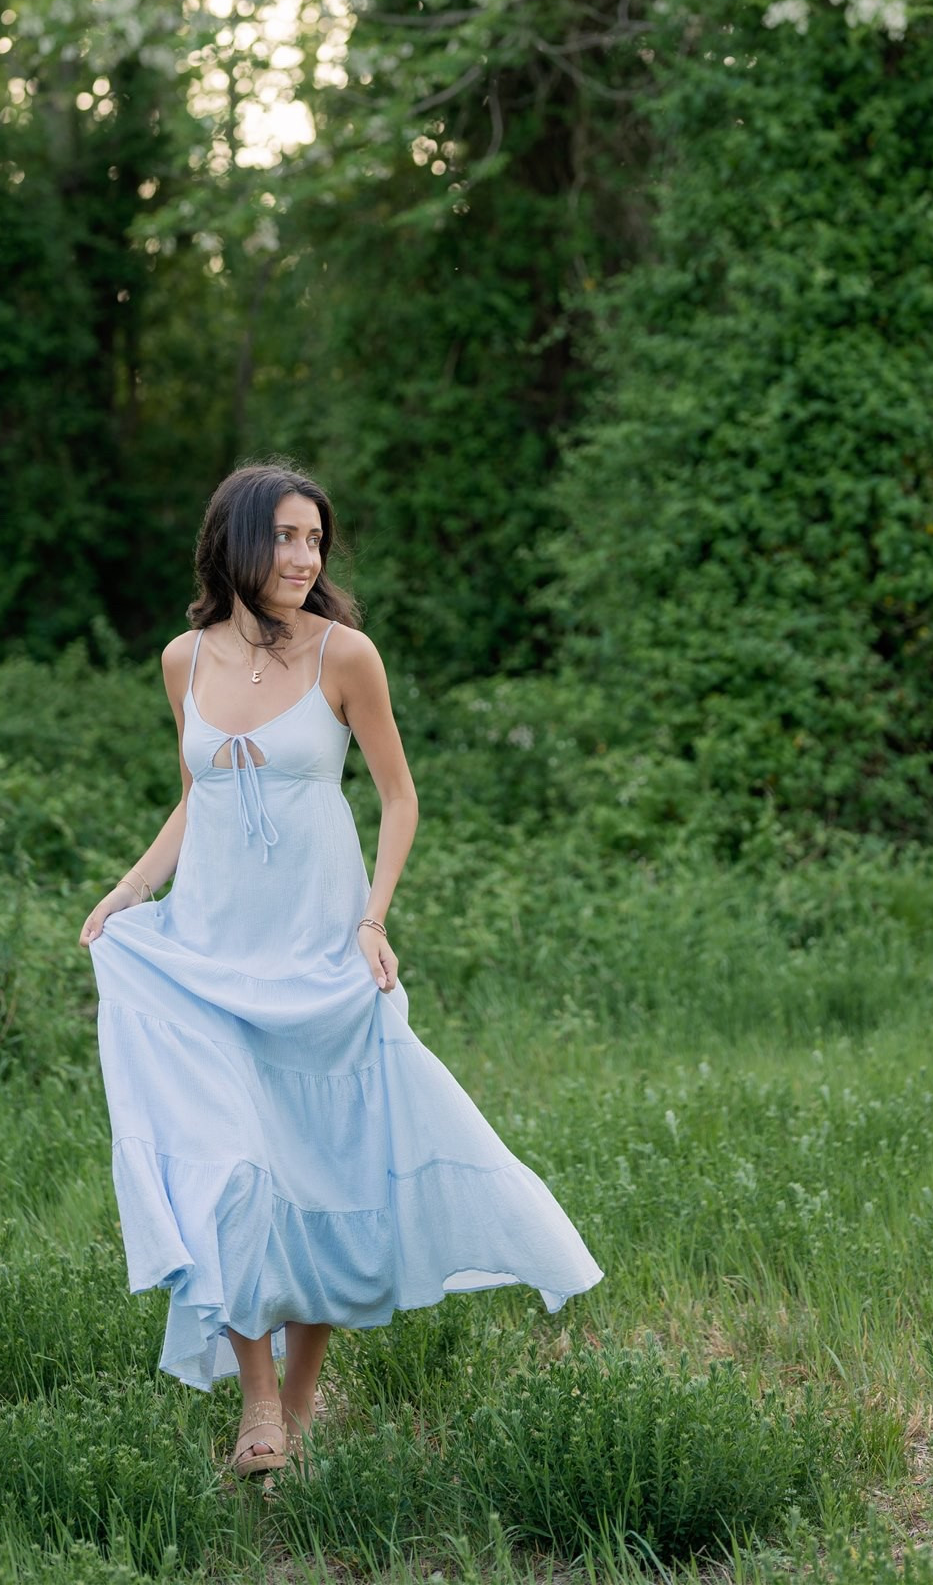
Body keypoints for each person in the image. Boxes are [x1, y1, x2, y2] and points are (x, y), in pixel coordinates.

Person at [80, 462, 603, 1478]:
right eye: (284, 535)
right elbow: (198, 795)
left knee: (321, 1175)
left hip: (319, 955)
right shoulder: (181, 660)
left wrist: (373, 918)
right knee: (233, 1174)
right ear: (234, 539)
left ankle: (305, 1392)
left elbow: (400, 797)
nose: (303, 556)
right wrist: (130, 890)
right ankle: (259, 1405)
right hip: (210, 958)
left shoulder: (344, 655)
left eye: (315, 539)